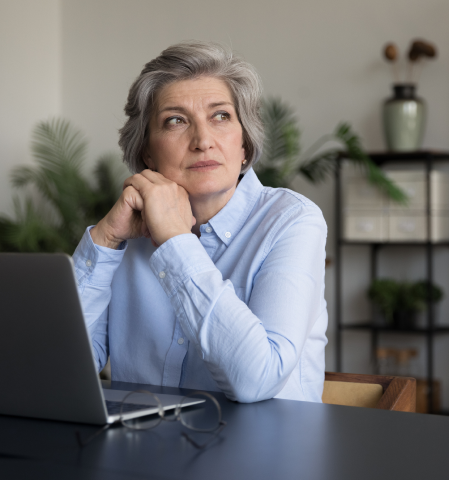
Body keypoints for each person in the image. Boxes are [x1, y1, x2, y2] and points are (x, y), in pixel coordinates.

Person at [72, 41, 328, 403]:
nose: (203, 140)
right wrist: (105, 238)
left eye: (220, 116)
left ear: (244, 144)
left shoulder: (292, 221)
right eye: (175, 121)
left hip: (265, 455)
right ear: (147, 151)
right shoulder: (127, 231)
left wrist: (175, 242)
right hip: (144, 453)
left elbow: (258, 379)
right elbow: (60, 367)